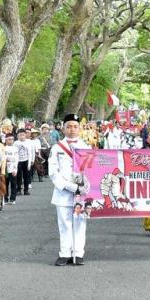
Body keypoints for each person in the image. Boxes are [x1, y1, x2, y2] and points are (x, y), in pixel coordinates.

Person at [48, 114, 91, 266]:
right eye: (69, 126)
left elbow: (91, 170)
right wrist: (68, 186)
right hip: (63, 192)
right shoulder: (57, 147)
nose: (72, 129)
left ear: (80, 128)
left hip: (82, 192)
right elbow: (53, 171)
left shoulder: (86, 147)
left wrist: (82, 187)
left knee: (80, 222)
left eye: (75, 126)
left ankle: (78, 253)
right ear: (63, 128)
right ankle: (65, 253)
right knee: (64, 223)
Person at [15, 129, 34, 196]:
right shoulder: (16, 143)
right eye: (20, 135)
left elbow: (30, 153)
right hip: (18, 161)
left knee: (26, 177)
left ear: (25, 135)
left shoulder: (28, 143)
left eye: (23, 135)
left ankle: (26, 190)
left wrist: (29, 163)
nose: (22, 137)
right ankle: (18, 190)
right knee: (19, 177)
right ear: (17, 136)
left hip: (26, 161)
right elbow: (14, 153)